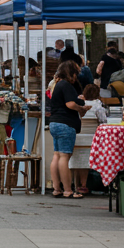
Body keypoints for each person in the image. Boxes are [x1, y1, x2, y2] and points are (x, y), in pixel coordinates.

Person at [47, 60, 89, 198]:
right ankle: (68, 190)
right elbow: (70, 104)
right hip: (66, 124)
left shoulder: (57, 85)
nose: (76, 77)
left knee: (57, 155)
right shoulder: (66, 85)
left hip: (54, 123)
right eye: (75, 73)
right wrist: (81, 108)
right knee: (64, 156)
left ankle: (56, 188)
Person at [71, 83, 108, 195]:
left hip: (78, 138)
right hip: (93, 139)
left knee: (78, 160)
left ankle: (77, 185)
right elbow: (103, 122)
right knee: (86, 159)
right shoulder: (98, 106)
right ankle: (85, 184)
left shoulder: (79, 105)